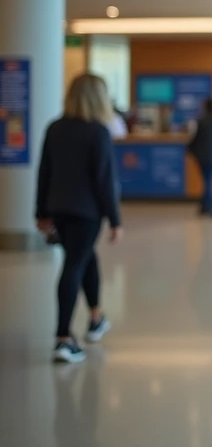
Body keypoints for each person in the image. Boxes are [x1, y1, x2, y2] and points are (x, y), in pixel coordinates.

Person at [34, 74, 122, 364]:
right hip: (86, 212)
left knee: (84, 257)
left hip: (59, 208)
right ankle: (63, 338)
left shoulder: (55, 128)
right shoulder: (98, 132)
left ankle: (96, 318)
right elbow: (104, 180)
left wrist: (41, 211)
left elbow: (44, 172)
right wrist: (115, 219)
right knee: (74, 265)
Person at [187, 98, 212, 218]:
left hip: (201, 156)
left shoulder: (200, 121)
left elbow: (194, 138)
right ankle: (210, 207)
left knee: (206, 180)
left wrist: (189, 150)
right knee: (209, 181)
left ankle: (204, 206)